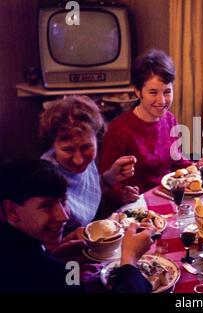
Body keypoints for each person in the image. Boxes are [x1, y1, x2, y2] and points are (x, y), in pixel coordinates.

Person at [0, 158, 155, 293]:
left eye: (63, 201)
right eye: (47, 206)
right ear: (12, 210)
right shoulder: (42, 271)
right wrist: (130, 259)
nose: (64, 216)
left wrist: (59, 259)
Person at [99, 49, 191, 212]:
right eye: (153, 92)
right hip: (135, 208)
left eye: (167, 92)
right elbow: (105, 183)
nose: (162, 101)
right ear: (137, 91)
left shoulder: (170, 120)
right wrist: (122, 194)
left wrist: (198, 167)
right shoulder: (119, 130)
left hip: (165, 197)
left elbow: (178, 162)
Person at [39, 95, 137, 234]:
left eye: (86, 147)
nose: (78, 160)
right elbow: (43, 244)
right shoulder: (46, 177)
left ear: (97, 138)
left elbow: (86, 194)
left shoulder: (86, 162)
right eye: (68, 149)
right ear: (52, 144)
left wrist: (110, 177)